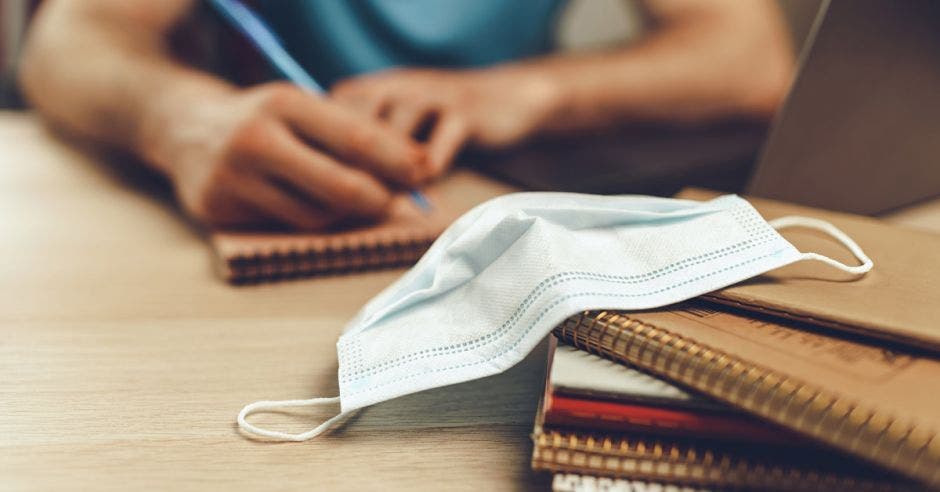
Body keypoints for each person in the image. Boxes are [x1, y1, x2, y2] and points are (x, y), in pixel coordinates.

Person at [18, 0, 794, 230]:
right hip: (270, 205)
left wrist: (536, 91)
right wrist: (179, 118)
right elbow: (65, 39)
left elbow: (750, 58)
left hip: (490, 197)